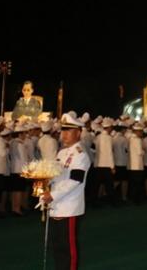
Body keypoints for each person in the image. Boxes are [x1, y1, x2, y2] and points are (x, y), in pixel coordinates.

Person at [41, 112, 91, 270]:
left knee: (68, 250)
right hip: (56, 206)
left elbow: (75, 181)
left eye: (69, 130)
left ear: (79, 133)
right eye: (63, 130)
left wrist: (52, 195)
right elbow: (56, 176)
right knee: (57, 247)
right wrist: (44, 182)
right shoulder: (62, 153)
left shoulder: (80, 155)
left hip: (69, 207)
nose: (64, 134)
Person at [127, 124, 144, 205]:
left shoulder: (130, 139)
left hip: (131, 164)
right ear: (137, 132)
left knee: (133, 183)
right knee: (138, 183)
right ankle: (137, 200)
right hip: (137, 165)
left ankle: (132, 198)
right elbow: (140, 152)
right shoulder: (137, 140)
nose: (142, 133)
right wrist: (144, 150)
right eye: (141, 132)